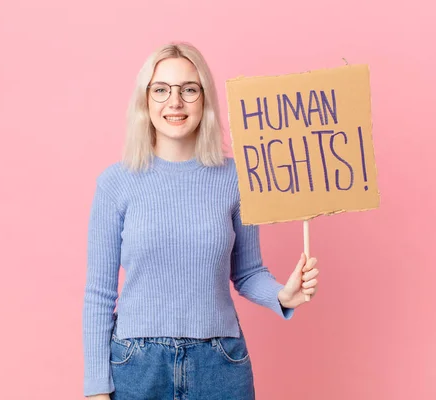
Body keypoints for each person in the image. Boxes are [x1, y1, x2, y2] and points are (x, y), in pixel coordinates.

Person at [83, 42, 319, 400]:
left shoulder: (237, 179)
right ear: (145, 100)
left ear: (204, 99)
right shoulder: (115, 183)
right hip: (137, 367)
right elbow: (99, 294)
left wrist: (283, 295)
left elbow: (248, 273)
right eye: (161, 90)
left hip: (219, 364)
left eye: (188, 89)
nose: (174, 102)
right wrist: (97, 387)